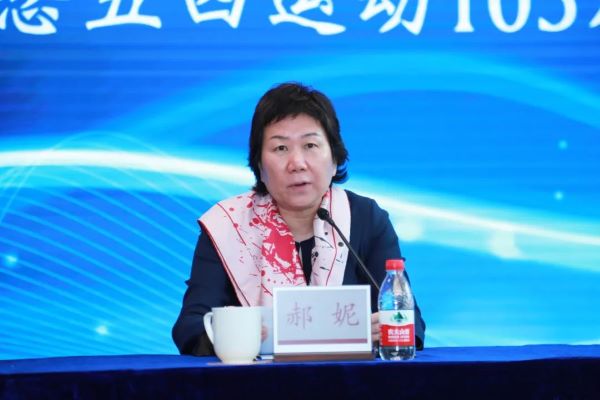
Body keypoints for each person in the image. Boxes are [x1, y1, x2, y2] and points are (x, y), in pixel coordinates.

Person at [172, 82, 425, 355]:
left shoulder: (364, 218)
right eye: (280, 148)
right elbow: (190, 327)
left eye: (310, 145)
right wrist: (230, 336)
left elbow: (411, 323)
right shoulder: (228, 226)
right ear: (259, 165)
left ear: (335, 159)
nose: (297, 163)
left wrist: (385, 328)